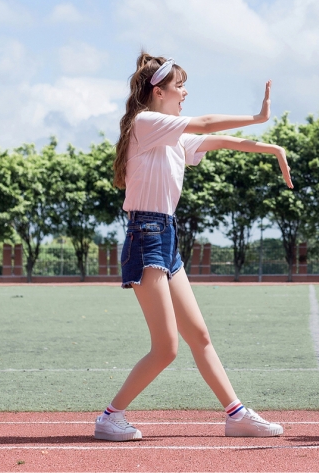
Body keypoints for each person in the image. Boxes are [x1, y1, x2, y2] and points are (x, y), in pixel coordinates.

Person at [94, 52, 293, 441]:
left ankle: (236, 414)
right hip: (145, 236)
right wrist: (257, 117)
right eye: (179, 86)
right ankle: (109, 417)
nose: (185, 92)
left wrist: (273, 149)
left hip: (165, 237)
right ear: (159, 91)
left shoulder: (172, 137)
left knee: (199, 335)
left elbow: (218, 139)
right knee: (166, 348)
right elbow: (204, 122)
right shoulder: (145, 123)